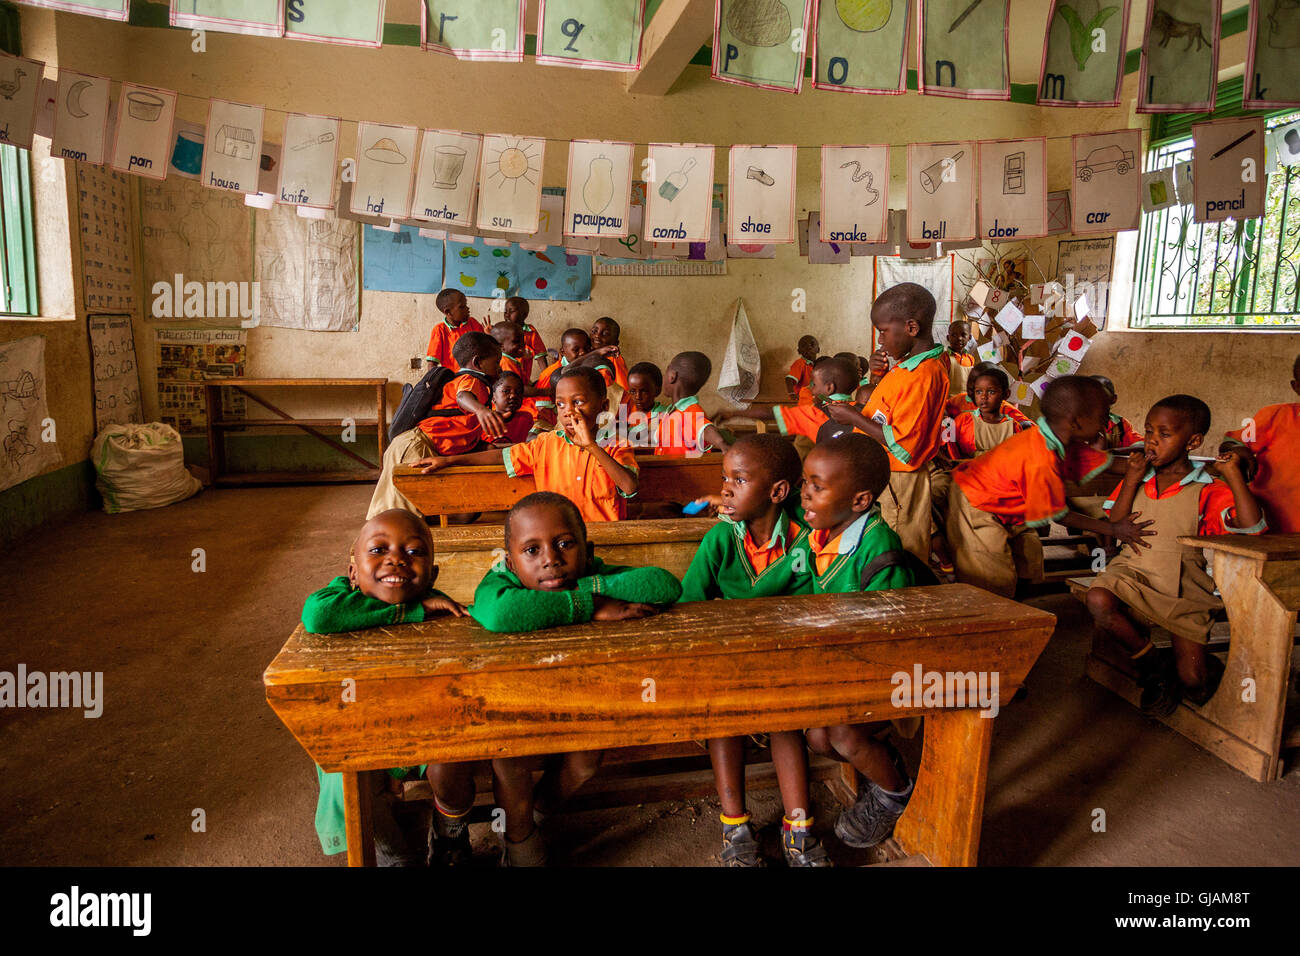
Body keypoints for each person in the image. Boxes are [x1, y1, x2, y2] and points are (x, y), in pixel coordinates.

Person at [470, 492, 683, 865]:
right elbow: (502, 614)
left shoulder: (590, 573)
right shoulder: (499, 581)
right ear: (509, 560)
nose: (551, 559)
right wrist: (590, 606)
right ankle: (519, 843)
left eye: (565, 544)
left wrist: (590, 588)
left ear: (588, 548)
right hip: (511, 705)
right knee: (511, 761)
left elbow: (664, 585)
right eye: (531, 551)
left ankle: (534, 816)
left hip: (578, 700)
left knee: (585, 761)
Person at [677, 435, 824, 866]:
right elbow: (689, 606)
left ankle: (799, 832)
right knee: (725, 715)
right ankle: (735, 826)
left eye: (737, 480)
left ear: (777, 492)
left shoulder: (807, 541)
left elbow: (824, 603)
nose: (724, 490)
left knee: (785, 720)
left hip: (786, 662)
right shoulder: (721, 540)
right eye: (724, 478)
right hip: (727, 662)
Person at [300, 509, 470, 865]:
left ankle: (449, 831)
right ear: (352, 572)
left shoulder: (435, 603)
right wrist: (409, 612)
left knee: (455, 757)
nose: (396, 560)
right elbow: (318, 616)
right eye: (378, 551)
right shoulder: (338, 600)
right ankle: (396, 856)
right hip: (357, 730)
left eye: (413, 552)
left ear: (433, 574)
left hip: (423, 726)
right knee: (351, 782)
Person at [1086, 395, 1264, 715]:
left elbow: (1253, 529)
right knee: (1098, 598)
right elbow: (1114, 522)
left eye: (1164, 434)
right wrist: (1130, 477)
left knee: (1194, 682)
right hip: (1134, 570)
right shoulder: (1140, 478)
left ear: (1192, 441)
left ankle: (1192, 668)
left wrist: (1234, 476)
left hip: (1185, 582)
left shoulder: (1207, 488)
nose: (1152, 441)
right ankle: (1155, 664)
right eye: (1149, 431)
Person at [798, 435, 918, 850]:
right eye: (804, 483)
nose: (804, 494)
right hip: (842, 665)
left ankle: (894, 792)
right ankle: (880, 765)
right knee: (816, 737)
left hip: (886, 670)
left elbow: (894, 633)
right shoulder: (822, 534)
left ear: (860, 500)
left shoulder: (879, 550)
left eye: (817, 486)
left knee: (844, 734)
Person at [946, 375, 1153, 598]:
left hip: (1008, 504)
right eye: (1102, 416)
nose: (1106, 422)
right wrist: (1114, 529)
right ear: (1076, 422)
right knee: (992, 575)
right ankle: (996, 619)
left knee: (1029, 558)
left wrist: (1148, 465)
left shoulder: (1062, 440)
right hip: (977, 504)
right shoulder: (1040, 456)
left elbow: (1108, 462)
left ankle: (1019, 608)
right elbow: (1060, 516)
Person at [820, 283, 950, 564]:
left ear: (911, 328)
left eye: (883, 331)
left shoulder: (923, 375)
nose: (880, 341)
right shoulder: (910, 366)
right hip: (889, 471)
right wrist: (880, 376)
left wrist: (853, 416)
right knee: (884, 539)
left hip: (902, 475)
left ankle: (903, 596)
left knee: (901, 544)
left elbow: (904, 444)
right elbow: (893, 410)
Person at [415, 366, 639, 522]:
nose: (569, 411)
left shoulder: (616, 444)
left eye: (578, 402)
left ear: (604, 405)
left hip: (606, 539)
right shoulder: (546, 444)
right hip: (560, 539)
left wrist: (592, 446)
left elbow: (629, 487)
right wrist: (450, 460)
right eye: (561, 404)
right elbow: (500, 457)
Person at [368, 331, 504, 519]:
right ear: (478, 362)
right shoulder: (472, 381)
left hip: (414, 444)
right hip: (418, 445)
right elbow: (463, 397)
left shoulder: (469, 385)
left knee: (394, 507)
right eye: (496, 362)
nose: (499, 367)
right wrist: (480, 410)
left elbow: (459, 426)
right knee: (401, 515)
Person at [1219, 353, 1300, 533]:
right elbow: (1230, 444)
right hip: (1269, 530)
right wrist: (1239, 450)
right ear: (1296, 387)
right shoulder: (1275, 416)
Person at [716, 355, 861, 444]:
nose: (813, 389)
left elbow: (770, 413)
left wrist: (734, 413)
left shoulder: (814, 414)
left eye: (815, 385)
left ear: (829, 388)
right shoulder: (864, 409)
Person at [525, 328, 616, 431]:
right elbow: (543, 410)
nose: (582, 353)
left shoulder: (595, 367)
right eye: (576, 350)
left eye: (586, 348)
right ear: (562, 352)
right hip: (545, 418)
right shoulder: (550, 373)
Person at [655, 351, 731, 455]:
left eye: (665, 373)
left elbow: (707, 430)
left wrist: (723, 445)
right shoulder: (674, 410)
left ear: (672, 376)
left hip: (680, 470)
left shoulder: (690, 411)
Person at [425, 288, 485, 369]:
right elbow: (432, 364)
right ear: (448, 312)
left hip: (475, 376)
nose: (467, 309)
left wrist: (489, 334)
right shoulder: (439, 330)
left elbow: (485, 348)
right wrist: (434, 379)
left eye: (466, 305)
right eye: (462, 307)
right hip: (453, 379)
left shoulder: (472, 323)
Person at [1091, 375, 1142, 450]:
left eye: (1102, 395)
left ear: (1113, 399)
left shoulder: (1120, 424)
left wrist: (1115, 451)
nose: (1095, 400)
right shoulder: (1075, 423)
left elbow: (1141, 444)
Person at [504, 296, 548, 382]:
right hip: (503, 378)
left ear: (524, 314)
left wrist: (547, 376)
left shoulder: (531, 333)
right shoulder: (501, 331)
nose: (507, 314)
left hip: (522, 379)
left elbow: (541, 357)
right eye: (505, 311)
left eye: (511, 311)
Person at [488, 370, 534, 446]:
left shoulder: (525, 418)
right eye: (506, 391)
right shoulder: (484, 422)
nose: (513, 395)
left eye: (518, 391)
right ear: (493, 397)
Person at [589, 316, 630, 392]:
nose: (597, 335)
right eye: (594, 331)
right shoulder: (584, 355)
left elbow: (624, 390)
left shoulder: (615, 359)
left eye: (605, 333)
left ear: (615, 343)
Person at [944, 319, 975, 397]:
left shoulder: (970, 359)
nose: (959, 338)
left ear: (969, 337)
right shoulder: (945, 358)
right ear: (948, 337)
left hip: (966, 403)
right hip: (949, 403)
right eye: (954, 335)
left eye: (963, 335)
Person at [786, 335, 819, 400]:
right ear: (799, 351)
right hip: (803, 398)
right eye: (804, 346)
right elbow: (789, 379)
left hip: (814, 397)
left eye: (812, 344)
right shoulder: (800, 363)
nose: (808, 347)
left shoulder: (819, 364)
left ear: (818, 349)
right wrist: (792, 394)